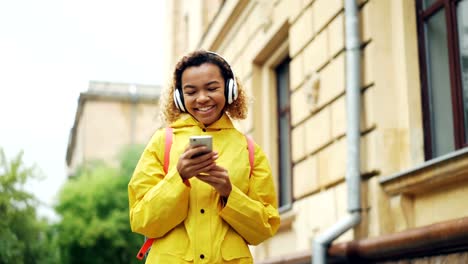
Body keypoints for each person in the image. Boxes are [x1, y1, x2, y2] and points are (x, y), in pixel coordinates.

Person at [128, 50, 280, 263]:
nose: (202, 98)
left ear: (230, 89)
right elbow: (141, 220)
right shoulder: (162, 142)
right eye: (191, 92)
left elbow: (264, 228)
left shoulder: (249, 150)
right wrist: (177, 177)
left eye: (212, 88)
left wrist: (229, 193)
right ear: (180, 97)